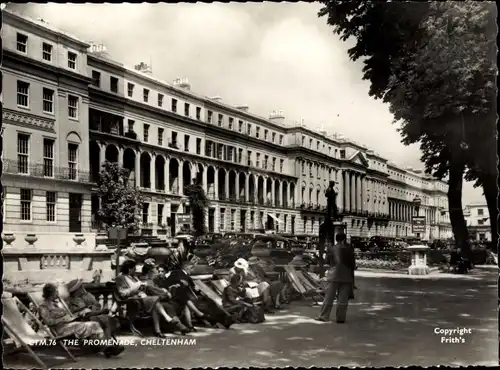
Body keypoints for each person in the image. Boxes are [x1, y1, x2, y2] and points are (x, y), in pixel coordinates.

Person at [38, 283, 123, 357]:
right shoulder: (43, 306)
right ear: (51, 293)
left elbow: (68, 313)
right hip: (60, 329)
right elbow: (48, 322)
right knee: (88, 325)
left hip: (69, 324)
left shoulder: (58, 303)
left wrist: (78, 314)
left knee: (94, 324)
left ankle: (106, 347)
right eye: (56, 291)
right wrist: (63, 319)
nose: (58, 293)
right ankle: (105, 348)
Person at [115, 260, 188, 336]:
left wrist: (142, 286)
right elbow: (123, 293)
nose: (135, 270)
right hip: (134, 299)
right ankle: (168, 320)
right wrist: (137, 285)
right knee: (156, 300)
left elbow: (143, 287)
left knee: (158, 305)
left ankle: (158, 331)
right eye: (134, 268)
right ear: (129, 269)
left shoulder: (134, 277)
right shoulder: (120, 278)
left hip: (144, 297)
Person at [315, 233, 356, 323]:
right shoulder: (349, 249)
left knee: (329, 297)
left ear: (336, 239)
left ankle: (323, 316)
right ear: (344, 239)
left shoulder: (332, 249)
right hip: (346, 276)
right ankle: (340, 318)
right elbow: (353, 265)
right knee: (343, 299)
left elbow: (327, 262)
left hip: (333, 275)